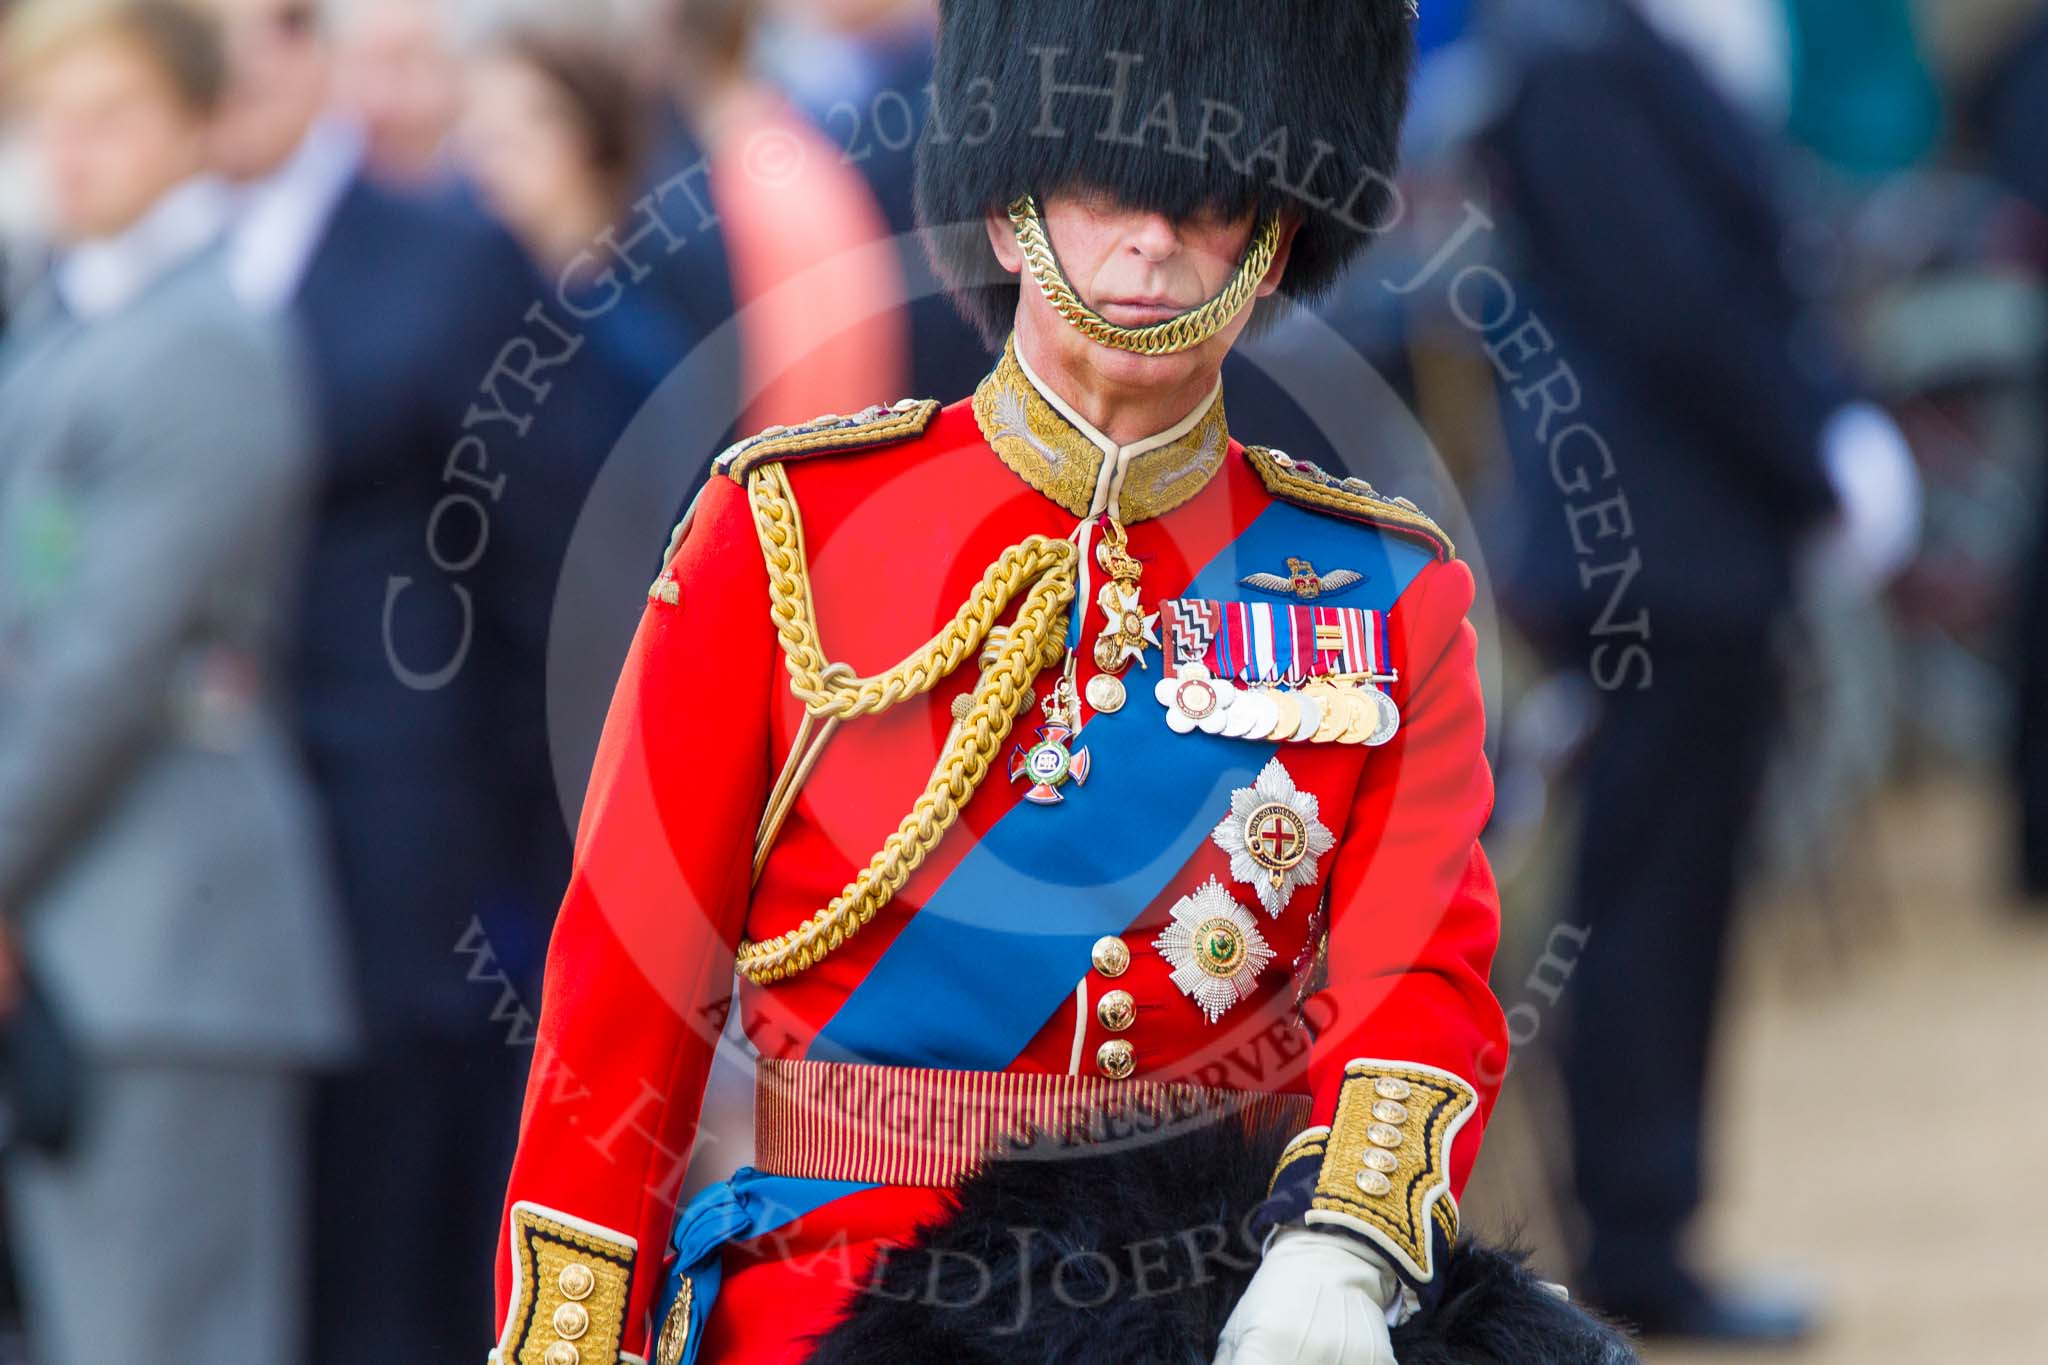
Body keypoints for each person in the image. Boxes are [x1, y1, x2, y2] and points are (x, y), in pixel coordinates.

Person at [486, 5, 1582, 1364]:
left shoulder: (1379, 593)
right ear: (1010, 215)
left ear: (1276, 232)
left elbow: (1419, 975)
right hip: (844, 1283)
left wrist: (1345, 1241)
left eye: (1209, 202)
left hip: (1225, 1297)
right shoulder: (779, 535)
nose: (1152, 242)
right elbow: (621, 1015)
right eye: (1105, 189)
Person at [1477, 0, 1916, 1341]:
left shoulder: (1636, 52)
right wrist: (1811, 454)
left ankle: (1649, 1223)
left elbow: (1758, 275)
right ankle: (1635, 1233)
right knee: (1640, 904)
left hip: (1700, 546)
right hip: (1646, 552)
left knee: (1674, 895)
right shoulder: (1573, 63)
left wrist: (1829, 424)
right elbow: (1676, 306)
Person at [197, 1, 573, 1359]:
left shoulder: (450, 259)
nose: (218, 59)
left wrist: (517, 847)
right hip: (181, 878)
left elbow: (543, 559)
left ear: (308, 52)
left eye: (245, 29)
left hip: (397, 866)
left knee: (379, 1274)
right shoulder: (140, 259)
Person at [0, 2, 354, 1361]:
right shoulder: (66, 314)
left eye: (111, 115)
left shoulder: (202, 336)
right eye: (49, 119)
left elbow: (101, 659)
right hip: (89, 929)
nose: (70, 153)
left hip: (162, 944)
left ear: (200, 124)